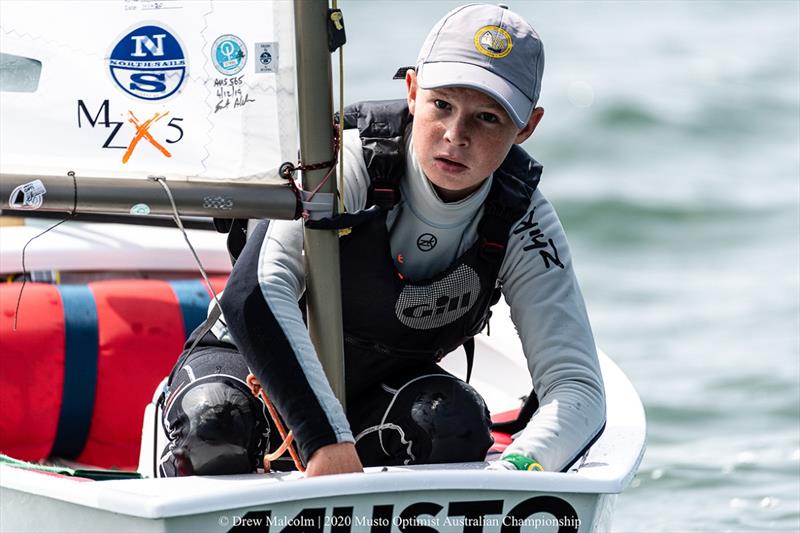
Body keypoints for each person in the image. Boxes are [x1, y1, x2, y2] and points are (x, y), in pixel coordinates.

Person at [158, 3, 605, 478]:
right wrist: (324, 442)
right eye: (442, 105)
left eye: (488, 118)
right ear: (412, 92)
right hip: (251, 367)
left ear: (527, 127)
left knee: (455, 424)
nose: (456, 135)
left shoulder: (523, 216)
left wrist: (518, 468)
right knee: (215, 423)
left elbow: (577, 386)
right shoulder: (346, 161)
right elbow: (254, 291)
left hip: (378, 393)